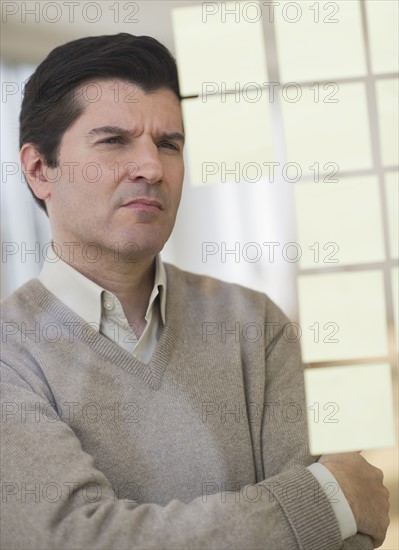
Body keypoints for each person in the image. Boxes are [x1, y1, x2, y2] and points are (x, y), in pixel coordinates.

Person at [0, 33, 389, 549]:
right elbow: (76, 540)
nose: (152, 168)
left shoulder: (254, 323)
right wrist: (326, 501)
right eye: (114, 141)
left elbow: (343, 543)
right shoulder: (10, 353)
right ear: (39, 169)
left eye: (169, 144)